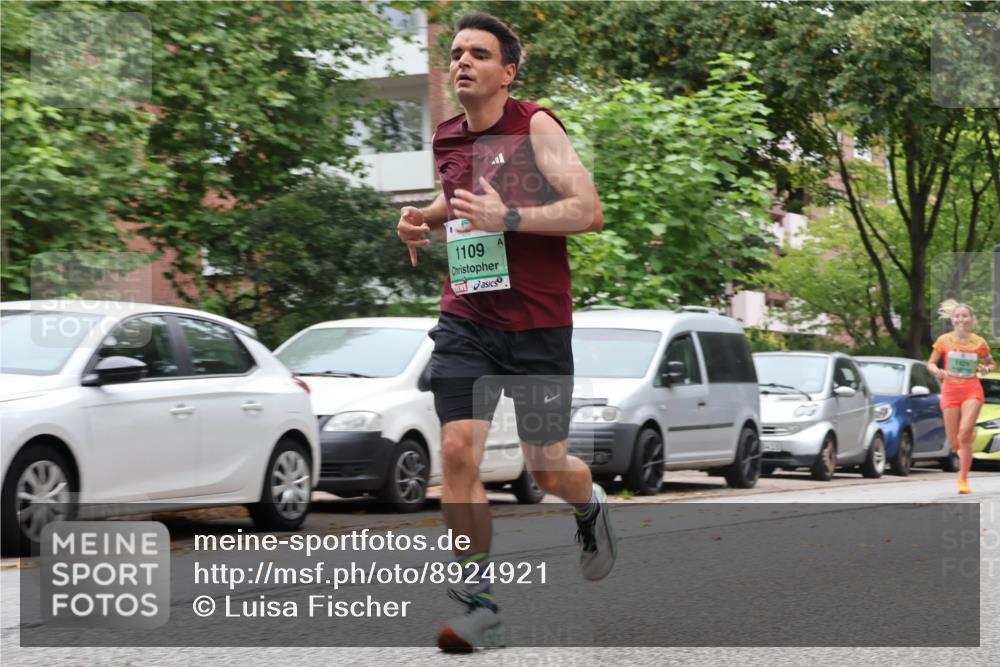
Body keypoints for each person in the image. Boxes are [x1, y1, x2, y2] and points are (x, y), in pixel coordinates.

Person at [396, 12, 614, 652]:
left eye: (479, 54)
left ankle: (588, 503)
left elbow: (588, 211)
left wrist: (509, 216)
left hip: (539, 326)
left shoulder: (535, 126)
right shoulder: (448, 138)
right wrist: (422, 220)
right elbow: (458, 199)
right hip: (468, 318)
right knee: (458, 452)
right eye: (457, 53)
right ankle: (479, 605)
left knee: (546, 469)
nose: (462, 61)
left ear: (507, 71)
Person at [927, 300, 995, 494]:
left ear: (971, 319)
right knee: (954, 441)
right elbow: (930, 363)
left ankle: (963, 481)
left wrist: (985, 368)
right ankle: (965, 437)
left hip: (971, 390)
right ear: (953, 319)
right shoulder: (943, 341)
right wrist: (938, 372)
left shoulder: (979, 342)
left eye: (965, 316)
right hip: (950, 391)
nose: (961, 319)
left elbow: (991, 364)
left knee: (964, 434)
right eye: (958, 316)